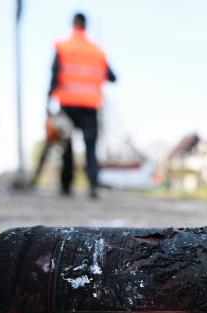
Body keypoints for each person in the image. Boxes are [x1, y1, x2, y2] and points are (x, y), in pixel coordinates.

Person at [48, 12, 117, 198]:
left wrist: (48, 102)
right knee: (90, 147)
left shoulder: (63, 47)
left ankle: (66, 185)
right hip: (90, 105)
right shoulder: (97, 51)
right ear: (86, 25)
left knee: (66, 146)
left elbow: (54, 75)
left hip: (67, 104)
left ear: (73, 24)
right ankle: (92, 185)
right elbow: (112, 76)